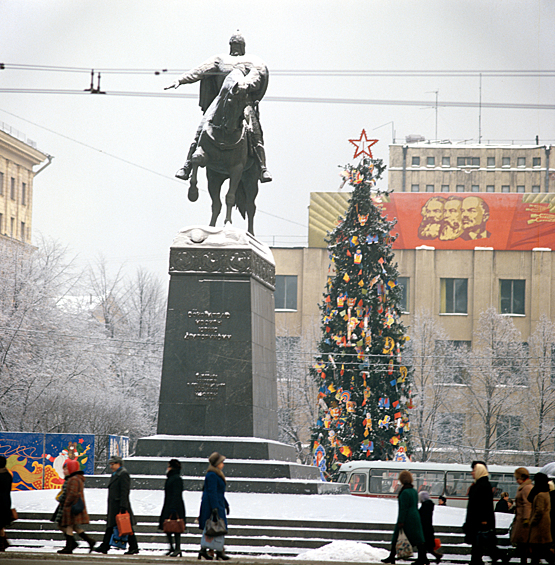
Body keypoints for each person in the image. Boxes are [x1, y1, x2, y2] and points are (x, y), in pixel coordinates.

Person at [165, 32, 272, 185]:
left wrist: (245, 85)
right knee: (202, 127)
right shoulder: (220, 59)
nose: (235, 47)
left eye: (238, 44)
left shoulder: (254, 61)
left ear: (243, 46)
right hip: (221, 99)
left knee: (254, 130)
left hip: (243, 100)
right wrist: (180, 80)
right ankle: (187, 165)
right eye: (233, 44)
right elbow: (200, 71)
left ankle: (262, 167)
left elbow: (257, 76)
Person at [94, 456, 140, 555]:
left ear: (118, 463)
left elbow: (125, 491)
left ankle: (133, 547)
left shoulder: (123, 474)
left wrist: (123, 506)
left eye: (112, 464)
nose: (111, 466)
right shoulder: (116, 474)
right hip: (114, 505)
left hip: (119, 505)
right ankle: (106, 545)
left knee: (126, 527)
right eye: (110, 464)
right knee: (112, 526)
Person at [381, 470, 428, 565]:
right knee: (418, 539)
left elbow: (403, 508)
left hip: (407, 518)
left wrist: (401, 521)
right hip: (415, 516)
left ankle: (392, 556)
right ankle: (423, 558)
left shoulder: (404, 492)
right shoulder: (414, 491)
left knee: (396, 537)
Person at [53, 458, 96, 553]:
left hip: (71, 506)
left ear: (72, 469)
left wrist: (66, 503)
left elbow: (72, 493)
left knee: (69, 526)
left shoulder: (74, 479)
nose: (64, 471)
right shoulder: (74, 478)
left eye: (66, 469)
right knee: (72, 526)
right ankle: (89, 541)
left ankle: (70, 546)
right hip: (71, 506)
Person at [463, 463, 499, 565]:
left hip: (480, 520)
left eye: (474, 470)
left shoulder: (483, 485)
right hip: (476, 519)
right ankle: (478, 560)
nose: (472, 473)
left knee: (479, 542)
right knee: (478, 543)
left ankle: (479, 560)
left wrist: (484, 519)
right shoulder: (479, 484)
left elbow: (485, 504)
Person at [198, 452, 230, 561]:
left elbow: (218, 492)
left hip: (216, 503)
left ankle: (206, 550)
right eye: (221, 462)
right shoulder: (212, 474)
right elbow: (212, 492)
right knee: (215, 527)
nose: (223, 464)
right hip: (212, 504)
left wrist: (225, 504)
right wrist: (215, 507)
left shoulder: (215, 474)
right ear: (216, 463)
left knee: (214, 528)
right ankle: (218, 551)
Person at [158, 459, 186, 557]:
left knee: (176, 527)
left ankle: (177, 548)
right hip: (169, 504)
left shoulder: (176, 479)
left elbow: (176, 494)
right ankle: (172, 547)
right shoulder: (171, 477)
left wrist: (173, 508)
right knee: (167, 526)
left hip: (175, 506)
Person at [527, 472, 552, 565]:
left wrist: (533, 521)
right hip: (544, 523)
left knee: (537, 547)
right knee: (541, 547)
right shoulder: (546, 492)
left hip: (539, 525)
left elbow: (539, 510)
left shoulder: (540, 494)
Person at [511, 467, 533, 565]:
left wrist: (526, 519)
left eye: (518, 478)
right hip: (520, 519)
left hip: (524, 521)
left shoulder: (526, 488)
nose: (517, 481)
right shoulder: (524, 487)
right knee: (522, 544)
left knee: (524, 544)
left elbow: (527, 504)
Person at [419, 490, 442, 563]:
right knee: (426, 546)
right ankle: (425, 558)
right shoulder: (429, 505)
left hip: (425, 528)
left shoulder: (425, 506)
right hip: (428, 527)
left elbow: (422, 516)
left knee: (423, 545)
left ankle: (424, 559)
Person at [0, 456, 13, 552]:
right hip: (5, 502)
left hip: (1, 502)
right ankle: (3, 543)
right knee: (1, 525)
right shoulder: (7, 475)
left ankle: (2, 543)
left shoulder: (2, 476)